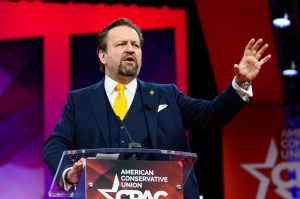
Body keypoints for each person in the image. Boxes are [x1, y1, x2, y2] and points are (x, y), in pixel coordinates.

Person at [43, 18, 271, 199]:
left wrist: (241, 83)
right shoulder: (80, 100)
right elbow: (55, 144)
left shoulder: (167, 95)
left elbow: (211, 114)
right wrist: (68, 173)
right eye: (121, 44)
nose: (130, 49)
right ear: (102, 55)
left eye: (135, 45)